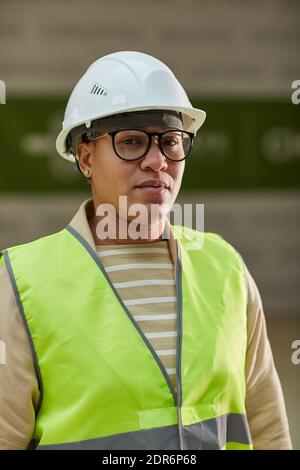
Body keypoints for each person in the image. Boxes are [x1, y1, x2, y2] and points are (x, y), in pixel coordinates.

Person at [0, 51, 292, 450]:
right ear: (86, 157)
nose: (158, 161)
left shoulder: (225, 269)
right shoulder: (22, 281)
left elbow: (268, 429)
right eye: (132, 141)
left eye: (171, 141)